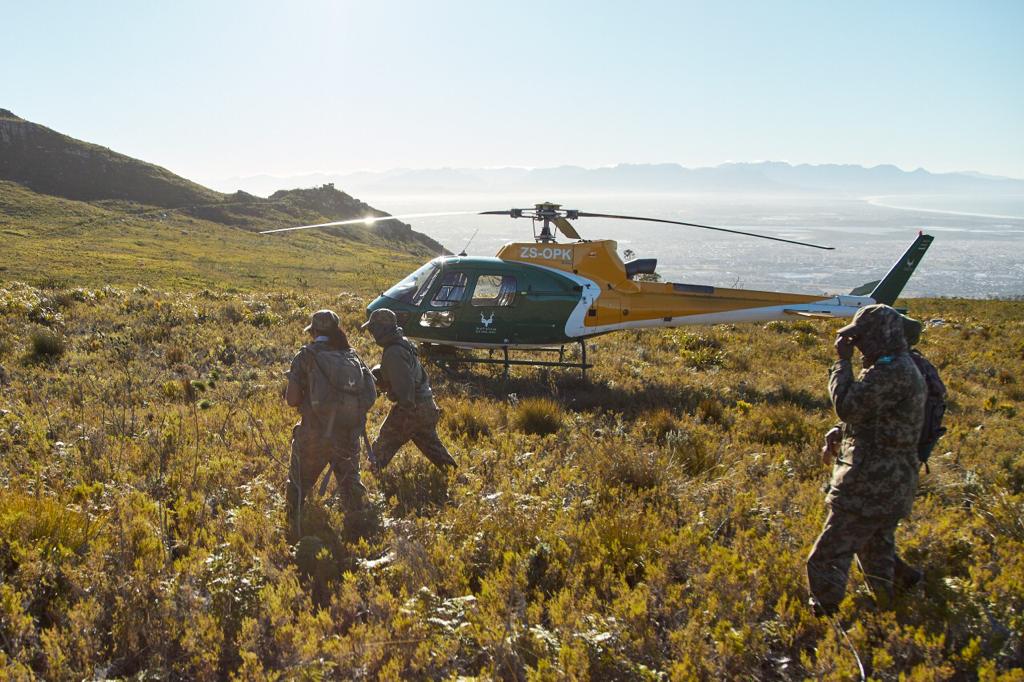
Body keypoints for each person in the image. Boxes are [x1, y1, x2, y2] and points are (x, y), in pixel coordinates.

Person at [807, 303, 926, 616]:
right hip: (889, 481)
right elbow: (875, 415)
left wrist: (841, 363)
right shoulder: (894, 366)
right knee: (874, 547)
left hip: (872, 482)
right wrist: (841, 431)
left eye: (860, 337)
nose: (855, 344)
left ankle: (824, 617)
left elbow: (849, 406)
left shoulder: (892, 371)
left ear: (879, 335)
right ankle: (894, 599)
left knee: (828, 553)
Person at [285, 309, 375, 536]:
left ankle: (292, 530)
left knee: (298, 486)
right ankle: (363, 534)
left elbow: (292, 399)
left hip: (314, 435)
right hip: (348, 434)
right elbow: (370, 395)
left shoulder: (306, 356)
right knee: (352, 487)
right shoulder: (352, 356)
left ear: (314, 331)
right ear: (337, 330)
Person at [361, 308, 457, 470]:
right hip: (426, 406)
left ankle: (367, 477)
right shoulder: (403, 343)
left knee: (382, 446)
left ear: (382, 329)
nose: (372, 333)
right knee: (436, 451)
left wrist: (403, 413)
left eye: (373, 329)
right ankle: (457, 477)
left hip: (412, 409)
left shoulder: (394, 352)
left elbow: (406, 392)